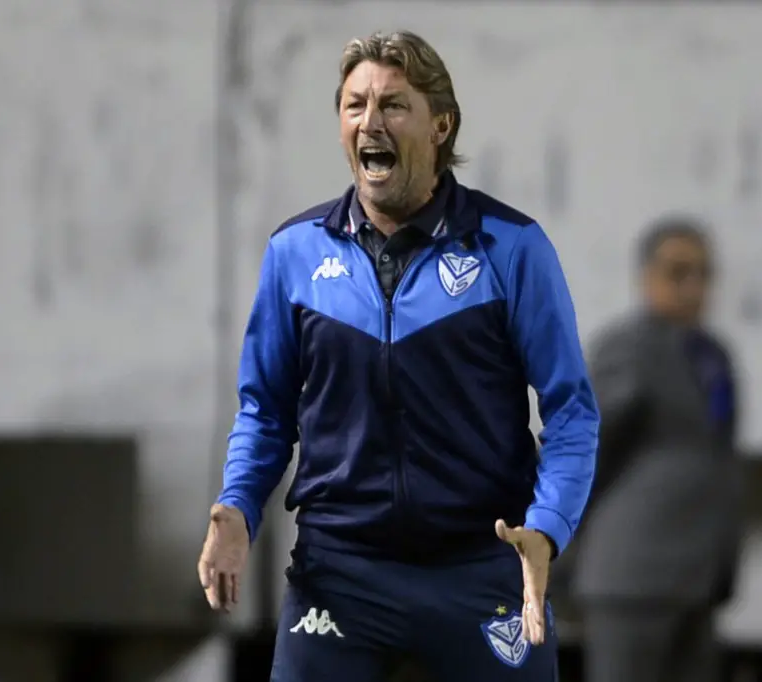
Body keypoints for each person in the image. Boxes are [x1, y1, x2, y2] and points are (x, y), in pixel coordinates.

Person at [197, 30, 599, 682]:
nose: (370, 122)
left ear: (441, 125)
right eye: (354, 106)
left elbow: (572, 413)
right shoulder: (295, 253)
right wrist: (237, 508)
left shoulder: (512, 248)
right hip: (340, 571)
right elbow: (265, 411)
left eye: (392, 105)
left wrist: (547, 528)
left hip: (482, 565)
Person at [572, 216, 744, 682]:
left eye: (703, 274)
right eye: (677, 273)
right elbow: (588, 451)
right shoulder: (626, 348)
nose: (692, 287)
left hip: (699, 575)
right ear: (647, 276)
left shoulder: (713, 355)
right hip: (633, 574)